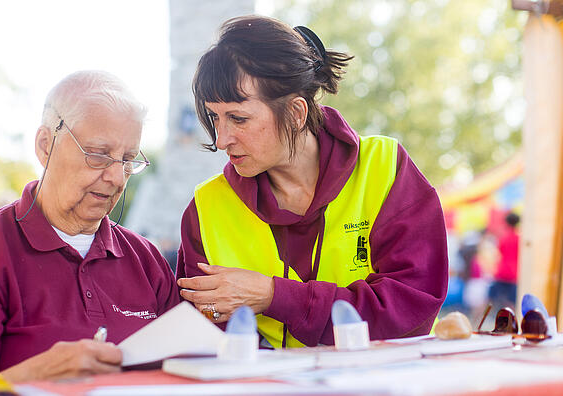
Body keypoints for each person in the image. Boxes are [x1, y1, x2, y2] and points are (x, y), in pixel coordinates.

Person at [176, 16, 448, 348]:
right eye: (214, 117)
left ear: (296, 113)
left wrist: (275, 296)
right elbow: (204, 340)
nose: (221, 139)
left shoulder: (386, 168)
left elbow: (410, 313)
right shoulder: (205, 208)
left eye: (238, 118)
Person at [0, 71, 180, 382]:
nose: (117, 177)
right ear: (45, 145)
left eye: (127, 159)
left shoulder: (147, 261)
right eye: (98, 155)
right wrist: (35, 377)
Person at [489, 212, 520, 308]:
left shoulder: (503, 238)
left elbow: (499, 252)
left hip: (502, 272)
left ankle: (478, 320)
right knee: (512, 302)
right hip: (514, 273)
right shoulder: (519, 238)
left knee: (491, 299)